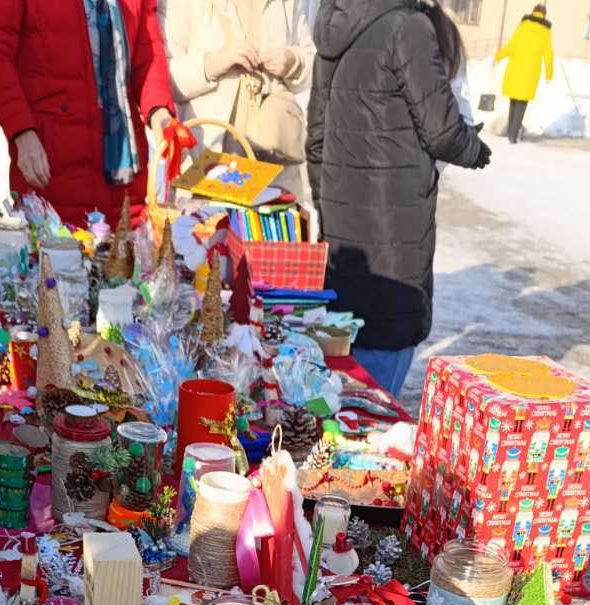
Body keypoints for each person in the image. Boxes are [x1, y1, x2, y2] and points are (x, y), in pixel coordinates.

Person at [307, 0, 489, 399]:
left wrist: (326, 203)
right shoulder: (409, 27)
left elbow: (316, 138)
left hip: (341, 220)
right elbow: (443, 131)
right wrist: (475, 148)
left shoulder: (333, 24)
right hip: (395, 220)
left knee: (342, 356)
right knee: (388, 337)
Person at [0, 0, 175, 227]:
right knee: (57, 247)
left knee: (125, 247)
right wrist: (21, 132)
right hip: (53, 167)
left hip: (124, 174)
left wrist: (158, 109)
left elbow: (147, 48)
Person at [160, 0, 313, 194]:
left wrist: (293, 62)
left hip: (275, 167)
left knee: (272, 211)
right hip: (206, 164)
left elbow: (315, 67)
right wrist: (213, 63)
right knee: (207, 214)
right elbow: (162, 79)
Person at [495, 2, 554, 144]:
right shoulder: (545, 31)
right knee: (521, 106)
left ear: (533, 12)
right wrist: (549, 74)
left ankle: (510, 132)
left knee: (513, 103)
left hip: (515, 71)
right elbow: (548, 54)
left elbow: (511, 46)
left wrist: (498, 56)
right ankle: (513, 136)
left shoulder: (523, 26)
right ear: (544, 15)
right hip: (529, 75)